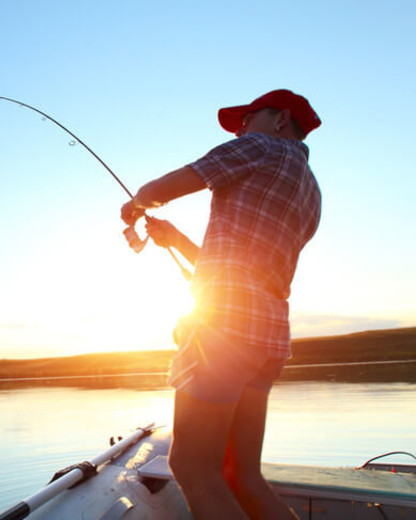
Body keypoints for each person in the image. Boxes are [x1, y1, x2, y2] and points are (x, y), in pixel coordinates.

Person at [121, 89, 322, 519]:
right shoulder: (311, 191)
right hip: (267, 339)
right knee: (242, 475)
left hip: (224, 333)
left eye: (247, 119)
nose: (240, 129)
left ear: (281, 119)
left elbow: (162, 188)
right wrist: (174, 240)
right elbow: (245, 268)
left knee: (192, 468)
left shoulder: (259, 147)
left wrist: (136, 203)